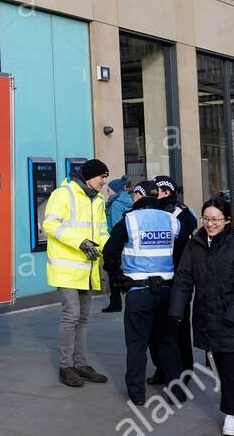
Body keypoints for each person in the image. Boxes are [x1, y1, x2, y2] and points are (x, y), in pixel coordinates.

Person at [169, 197, 234, 436]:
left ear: (227, 220)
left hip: (232, 318)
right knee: (214, 362)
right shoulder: (195, 243)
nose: (210, 224)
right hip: (205, 315)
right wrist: (176, 310)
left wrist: (233, 313)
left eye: (216, 219)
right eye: (206, 219)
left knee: (231, 364)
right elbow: (184, 277)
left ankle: (231, 416)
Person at [103, 180, 186, 407]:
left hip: (139, 291)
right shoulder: (172, 220)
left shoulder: (129, 220)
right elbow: (181, 253)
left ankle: (137, 394)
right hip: (168, 291)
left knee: (137, 344)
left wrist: (117, 276)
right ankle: (177, 392)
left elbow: (109, 251)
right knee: (168, 343)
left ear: (139, 197)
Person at [42, 159, 111, 388]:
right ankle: (65, 366)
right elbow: (50, 225)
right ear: (90, 176)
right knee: (71, 315)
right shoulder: (63, 194)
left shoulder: (98, 199)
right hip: (65, 267)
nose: (104, 182)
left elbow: (101, 231)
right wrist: (80, 242)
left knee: (82, 318)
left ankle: (81, 364)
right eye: (102, 177)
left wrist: (111, 251)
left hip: (87, 267)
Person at [156, 175, 198, 378]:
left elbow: (184, 235)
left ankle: (185, 369)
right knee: (157, 327)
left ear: (166, 192)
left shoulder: (183, 214)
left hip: (179, 278)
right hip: (157, 278)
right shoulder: (152, 211)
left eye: (158, 191)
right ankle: (162, 369)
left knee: (178, 326)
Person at [101, 177, 133, 313]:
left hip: (114, 243)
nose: (107, 192)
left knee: (113, 272)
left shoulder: (115, 204)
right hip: (125, 243)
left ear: (114, 190)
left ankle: (115, 302)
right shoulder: (126, 201)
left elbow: (116, 226)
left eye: (109, 189)